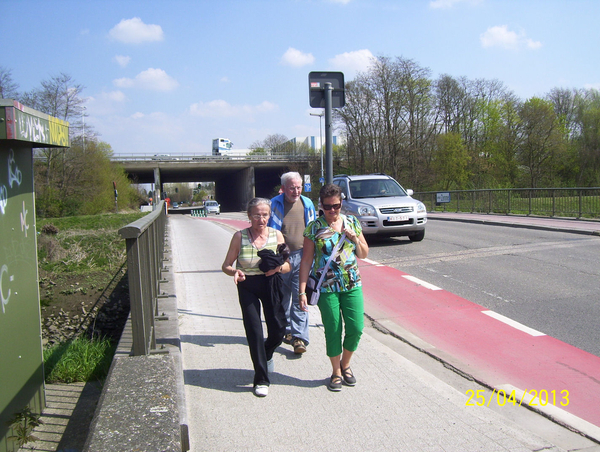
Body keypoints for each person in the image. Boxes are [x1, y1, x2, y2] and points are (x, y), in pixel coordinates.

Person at [298, 184, 369, 391]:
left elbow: (364, 254)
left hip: (352, 284)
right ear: (321, 205)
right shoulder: (314, 227)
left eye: (336, 206)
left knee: (356, 328)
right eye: (327, 207)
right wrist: (302, 291)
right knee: (333, 330)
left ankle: (346, 364)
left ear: (341, 203)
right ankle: (336, 371)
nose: (332, 211)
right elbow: (306, 261)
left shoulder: (352, 222)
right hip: (326, 287)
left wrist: (354, 238)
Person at [222, 197, 290, 397]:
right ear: (249, 216)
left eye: (265, 215)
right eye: (257, 215)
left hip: (270, 284)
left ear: (269, 215)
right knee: (254, 332)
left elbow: (288, 266)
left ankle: (267, 352)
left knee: (278, 329)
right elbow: (226, 265)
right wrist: (234, 272)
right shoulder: (239, 237)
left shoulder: (277, 235)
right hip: (247, 285)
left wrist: (277, 267)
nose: (261, 219)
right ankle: (261, 378)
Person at [268, 172, 316, 354]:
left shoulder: (307, 203)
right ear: (284, 188)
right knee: (282, 298)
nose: (296, 191)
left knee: (299, 297)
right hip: (281, 258)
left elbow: (313, 229)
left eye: (299, 187)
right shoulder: (274, 204)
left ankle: (300, 338)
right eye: (292, 187)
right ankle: (287, 331)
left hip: (303, 257)